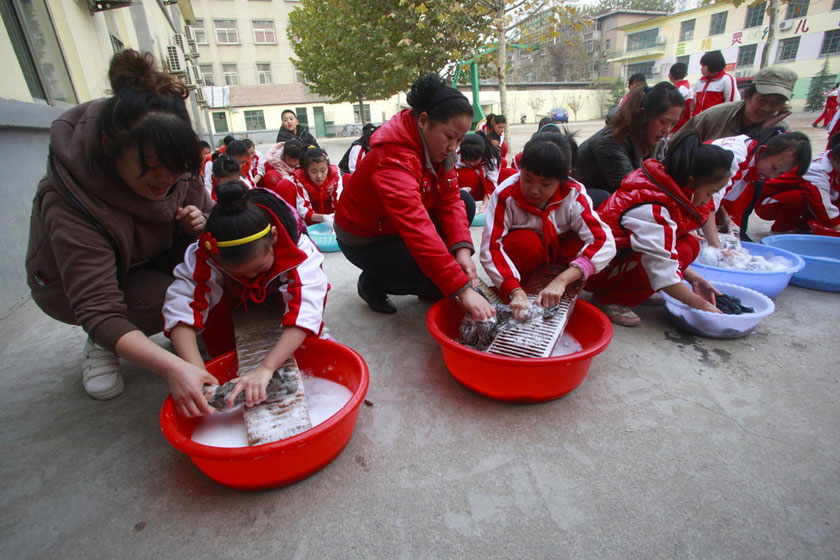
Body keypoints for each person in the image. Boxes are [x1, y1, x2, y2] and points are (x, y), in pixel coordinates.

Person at [25, 49, 217, 413]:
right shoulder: (72, 199)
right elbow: (97, 305)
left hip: (142, 259)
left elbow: (212, 217)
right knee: (161, 298)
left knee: (207, 262)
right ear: (109, 147)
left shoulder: (176, 166)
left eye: (176, 168)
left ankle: (180, 331)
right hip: (71, 288)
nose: (166, 179)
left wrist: (202, 222)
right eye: (152, 167)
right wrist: (175, 368)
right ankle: (105, 343)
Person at [335, 74, 495, 319]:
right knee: (434, 276)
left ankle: (429, 278)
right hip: (367, 238)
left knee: (465, 203)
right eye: (450, 136)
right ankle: (373, 281)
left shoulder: (438, 148)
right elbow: (417, 228)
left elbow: (450, 200)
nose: (454, 147)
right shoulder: (393, 158)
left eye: (460, 139)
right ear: (423, 120)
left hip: (397, 225)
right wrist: (462, 289)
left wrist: (462, 251)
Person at [163, 182, 328, 408]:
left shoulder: (297, 248)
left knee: (305, 335)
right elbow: (182, 305)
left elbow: (306, 308)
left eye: (258, 269)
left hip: (278, 289)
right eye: (239, 273)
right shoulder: (205, 254)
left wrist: (267, 368)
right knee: (217, 327)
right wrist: (195, 370)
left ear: (274, 237)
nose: (251, 277)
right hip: (232, 295)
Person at [587, 134, 732, 326]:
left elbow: (665, 252)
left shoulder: (667, 193)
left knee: (688, 244)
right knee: (682, 250)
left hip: (619, 260)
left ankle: (633, 290)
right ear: (690, 182)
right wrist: (701, 305)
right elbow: (661, 268)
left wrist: (695, 278)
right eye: (709, 193)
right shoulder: (652, 206)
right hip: (597, 269)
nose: (708, 201)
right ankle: (611, 297)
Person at [480, 133, 615, 321]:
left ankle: (559, 289)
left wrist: (562, 280)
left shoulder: (573, 194)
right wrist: (513, 289)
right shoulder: (506, 195)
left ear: (563, 178)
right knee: (523, 242)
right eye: (527, 178)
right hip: (527, 261)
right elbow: (490, 248)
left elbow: (603, 240)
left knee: (583, 245)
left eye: (545, 184)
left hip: (560, 262)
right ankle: (524, 292)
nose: (534, 190)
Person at [574, 82, 685, 207]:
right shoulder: (611, 141)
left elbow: (661, 178)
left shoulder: (657, 139)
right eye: (664, 122)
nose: (667, 130)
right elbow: (630, 188)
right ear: (643, 114)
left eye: (673, 124)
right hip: (586, 202)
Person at [705, 129, 811, 245]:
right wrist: (716, 246)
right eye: (774, 168)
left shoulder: (754, 162)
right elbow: (707, 200)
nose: (772, 176)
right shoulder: (734, 157)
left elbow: (718, 196)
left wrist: (725, 218)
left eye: (780, 173)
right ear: (762, 151)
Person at [672, 67, 796, 146]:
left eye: (776, 103)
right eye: (762, 100)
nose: (767, 108)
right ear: (746, 96)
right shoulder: (714, 117)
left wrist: (765, 129)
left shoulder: (781, 128)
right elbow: (675, 144)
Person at [757, 132, 840, 232]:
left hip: (788, 200)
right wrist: (836, 227)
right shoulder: (818, 169)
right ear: (835, 159)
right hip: (766, 203)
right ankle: (780, 230)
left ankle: (802, 227)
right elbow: (821, 203)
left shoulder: (833, 162)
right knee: (802, 197)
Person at [278, 146, 343, 226]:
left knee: (347, 178)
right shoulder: (300, 179)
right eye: (313, 171)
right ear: (306, 171)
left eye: (323, 171)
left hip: (330, 215)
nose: (319, 176)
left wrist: (337, 219)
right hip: (311, 219)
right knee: (284, 185)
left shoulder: (334, 175)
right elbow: (303, 211)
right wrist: (324, 218)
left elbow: (339, 201)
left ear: (328, 168)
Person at [456, 132, 500, 212]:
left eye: (475, 160)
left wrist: (484, 205)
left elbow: (491, 184)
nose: (472, 164)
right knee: (470, 175)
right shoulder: (456, 156)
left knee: (508, 173)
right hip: (464, 186)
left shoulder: (491, 159)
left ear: (482, 154)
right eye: (468, 161)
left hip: (482, 187)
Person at [691, 50, 740, 117]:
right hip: (698, 122)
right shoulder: (700, 82)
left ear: (712, 66)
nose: (701, 69)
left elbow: (732, 103)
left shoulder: (726, 80)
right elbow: (694, 103)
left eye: (703, 66)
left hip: (715, 123)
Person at [669, 62, 693, 132]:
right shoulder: (689, 88)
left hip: (677, 126)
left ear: (670, 76)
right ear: (685, 74)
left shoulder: (679, 89)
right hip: (686, 124)